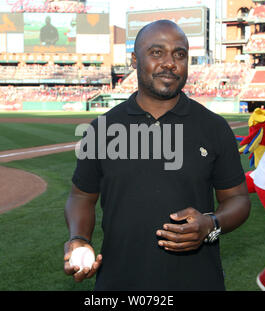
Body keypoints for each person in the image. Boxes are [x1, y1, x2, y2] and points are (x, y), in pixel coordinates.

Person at [63, 20, 251, 291]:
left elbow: (238, 199)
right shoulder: (101, 129)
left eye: (180, 54)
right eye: (156, 52)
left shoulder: (214, 128)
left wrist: (211, 225)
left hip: (198, 282)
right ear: (134, 60)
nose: (170, 63)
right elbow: (81, 196)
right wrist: (78, 237)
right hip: (119, 283)